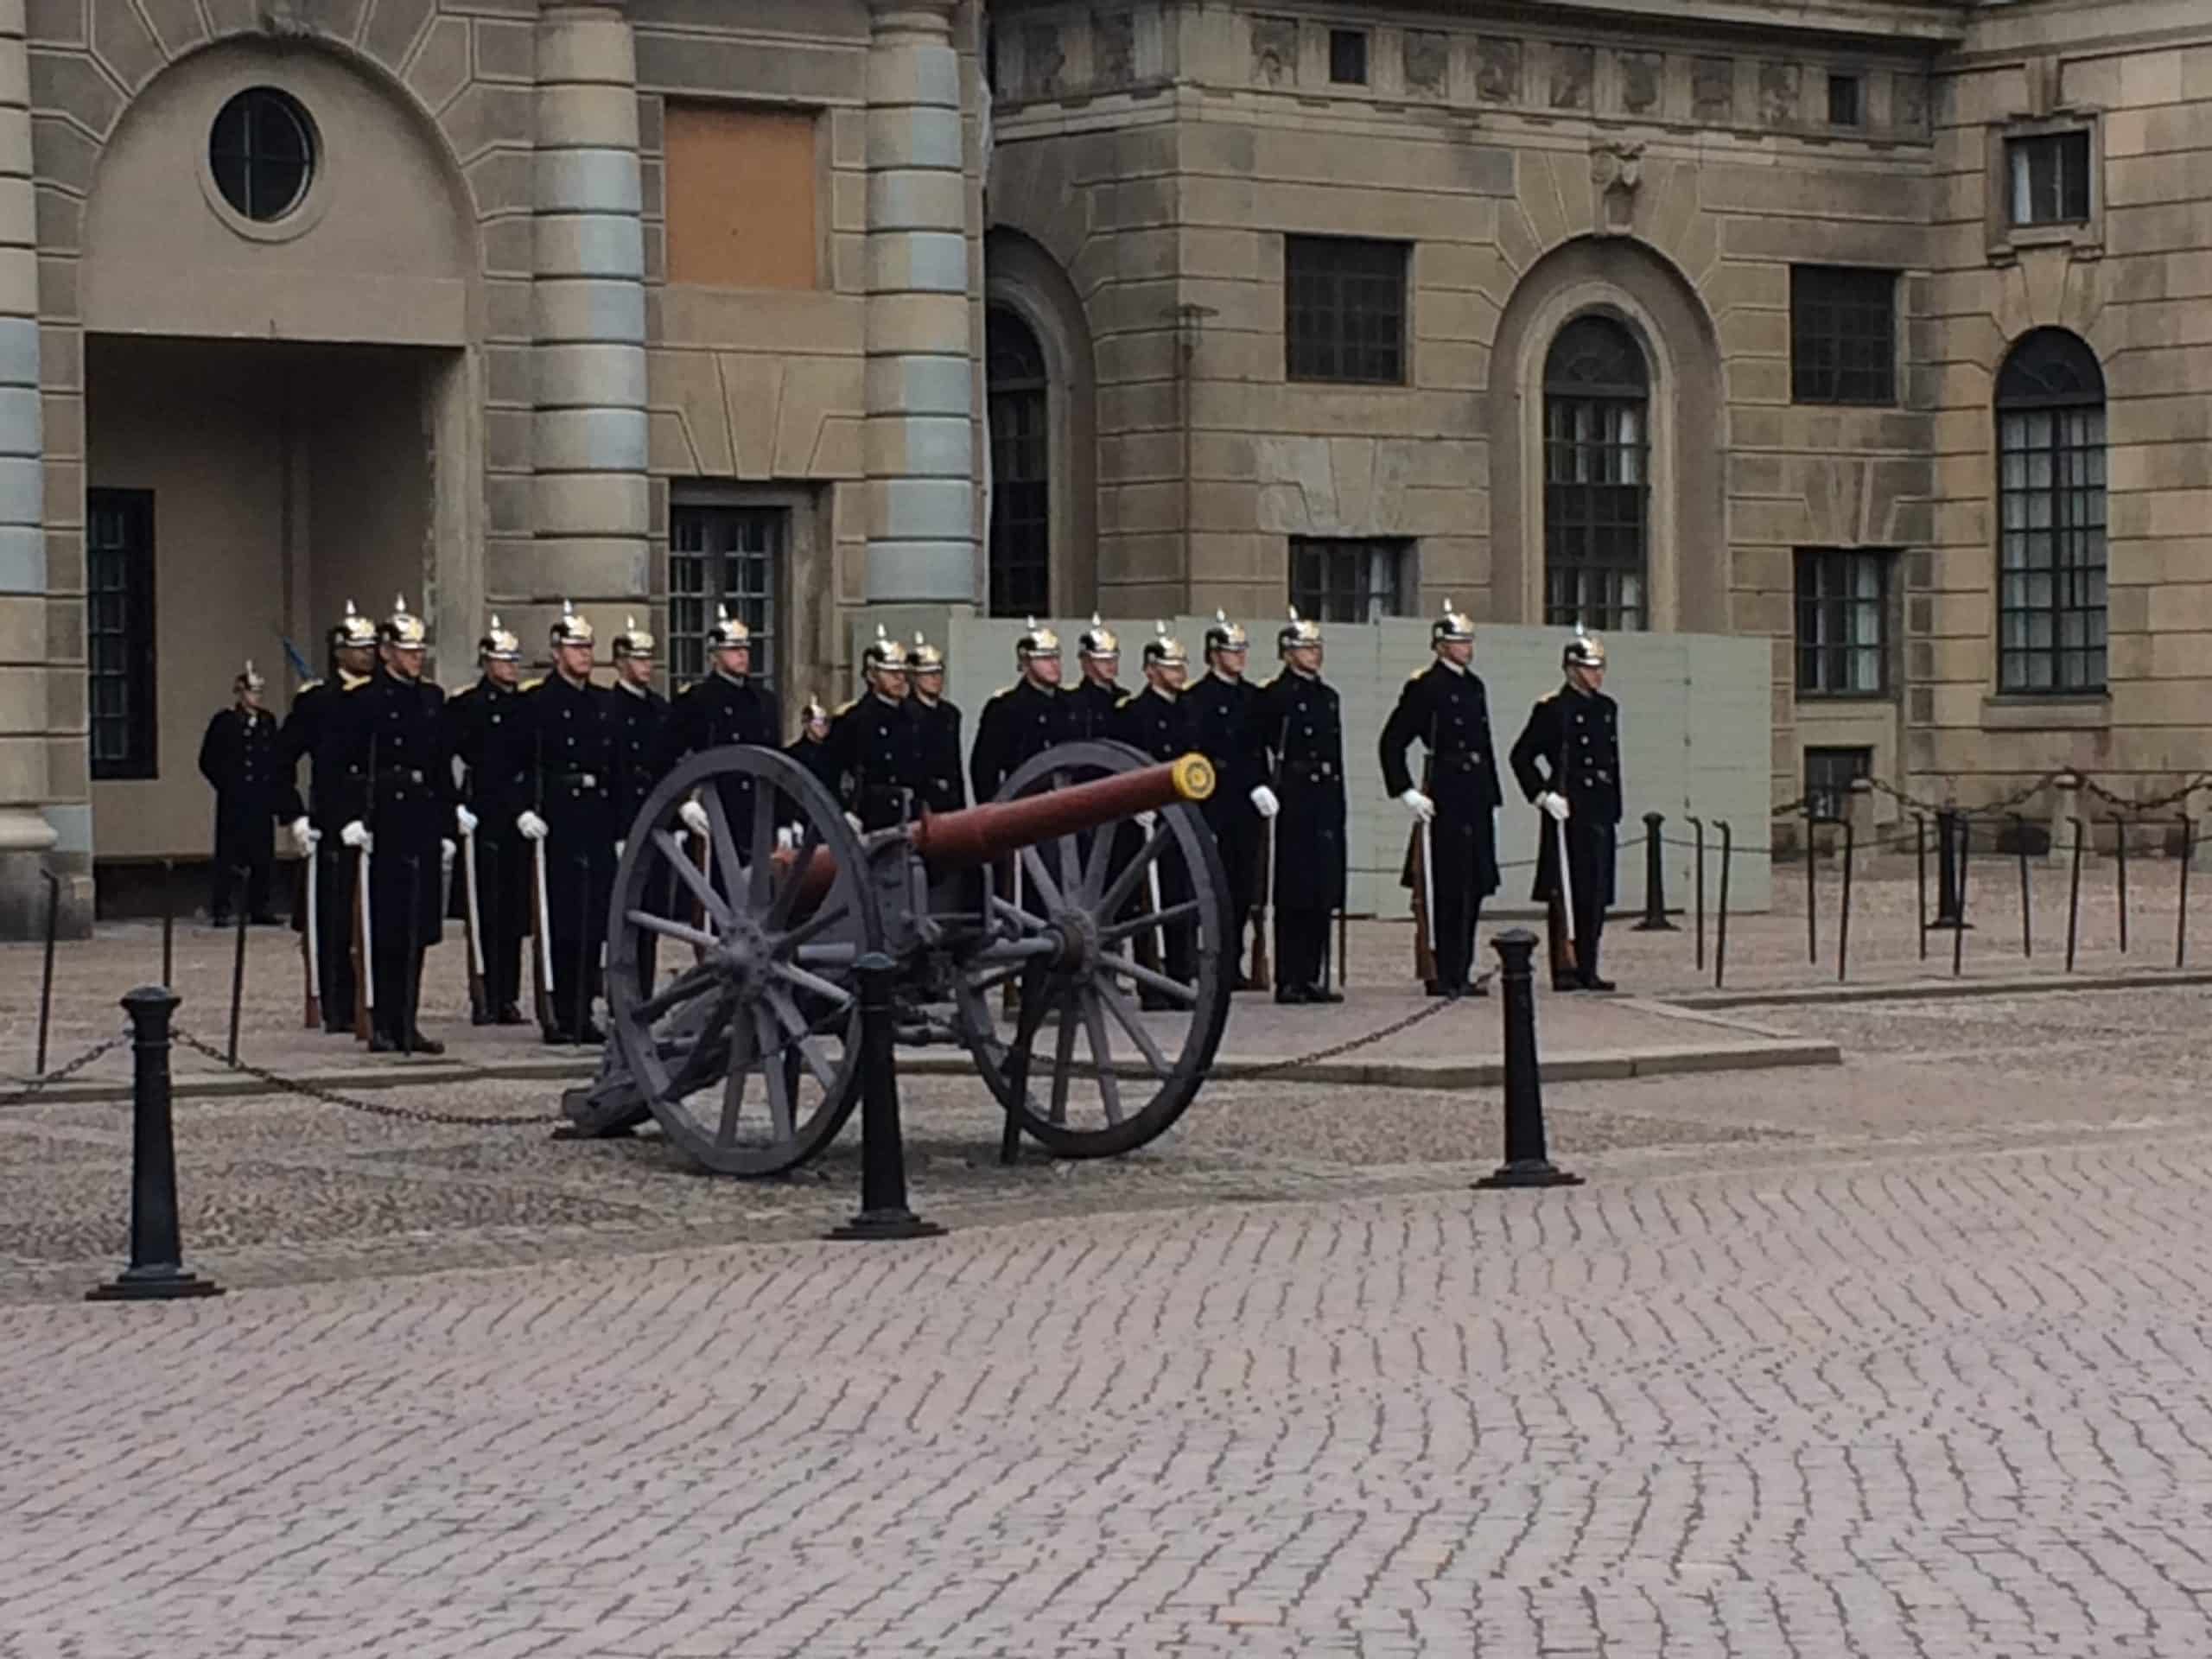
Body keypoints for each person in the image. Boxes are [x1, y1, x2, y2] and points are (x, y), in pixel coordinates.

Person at [334, 596, 461, 1054]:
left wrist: (448, 821)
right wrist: (349, 818)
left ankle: (407, 1020)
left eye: (419, 650)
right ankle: (381, 1020)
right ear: (386, 652)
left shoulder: (431, 698)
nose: (416, 657)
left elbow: (442, 763)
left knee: (418, 926)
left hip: (422, 814)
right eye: (407, 651)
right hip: (382, 816)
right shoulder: (363, 701)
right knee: (385, 926)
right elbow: (340, 764)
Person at [1380, 601, 1503, 999]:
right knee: (1445, 888)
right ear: (1440, 646)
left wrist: (1490, 792)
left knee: (1474, 885)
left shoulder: (1476, 685)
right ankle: (1442, 970)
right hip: (1445, 791)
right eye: (1458, 641)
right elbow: (1393, 741)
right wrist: (1406, 790)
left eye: (1469, 640)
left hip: (1475, 793)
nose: (1467, 647)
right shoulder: (1426, 686)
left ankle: (1461, 967)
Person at [518, 602, 621, 1045]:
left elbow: (617, 764)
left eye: (588, 646)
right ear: (557, 652)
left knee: (594, 917)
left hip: (595, 813)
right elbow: (520, 762)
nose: (584, 654)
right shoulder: (537, 702)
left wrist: (619, 825)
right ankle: (558, 1011)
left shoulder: (603, 702)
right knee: (561, 918)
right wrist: (523, 807)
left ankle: (584, 1010)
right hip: (558, 813)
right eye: (576, 647)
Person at [276, 603, 378, 1033]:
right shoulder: (318, 701)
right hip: (333, 824)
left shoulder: (386, 696)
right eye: (359, 648)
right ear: (339, 653)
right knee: (335, 921)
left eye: (372, 647)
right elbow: (281, 760)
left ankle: (375, 1003)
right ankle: (338, 1004)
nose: (368, 654)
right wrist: (294, 815)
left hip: (378, 821)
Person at [1510, 626, 1624, 993]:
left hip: (1599, 810)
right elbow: (1522, 756)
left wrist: (1613, 807)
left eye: (1600, 668)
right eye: (1591, 669)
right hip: (1567, 810)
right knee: (1567, 892)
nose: (1598, 675)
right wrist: (1543, 795)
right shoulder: (1553, 709)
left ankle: (1590, 963)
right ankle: (1566, 967)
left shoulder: (1607, 708)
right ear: (1572, 670)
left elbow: (1611, 762)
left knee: (1596, 893)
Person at [1254, 609, 1344, 1005]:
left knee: (1322, 889)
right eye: (1306, 647)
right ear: (1287, 653)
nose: (1315, 653)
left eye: (1317, 646)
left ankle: (1313, 973)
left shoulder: (1328, 697)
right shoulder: (1275, 696)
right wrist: (1262, 785)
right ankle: (1289, 977)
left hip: (1325, 795)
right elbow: (1256, 745)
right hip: (1293, 794)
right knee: (1294, 890)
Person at [443, 616, 531, 1025]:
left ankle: (508, 995)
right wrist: (454, 808)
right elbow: (447, 754)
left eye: (514, 659)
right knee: (484, 912)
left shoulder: (524, 706)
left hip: (517, 814)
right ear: (486, 662)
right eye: (503, 659)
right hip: (482, 812)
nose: (511, 666)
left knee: (513, 913)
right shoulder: (467, 706)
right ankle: (483, 992)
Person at [1113, 623, 1198, 1003]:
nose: (1179, 672)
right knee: (1149, 900)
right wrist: (1136, 804)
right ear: (1151, 670)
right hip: (1147, 817)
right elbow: (1126, 764)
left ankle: (1181, 974)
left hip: (1182, 815)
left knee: (1181, 895)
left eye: (1181, 665)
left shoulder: (1190, 710)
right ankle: (1151, 980)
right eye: (1171, 666)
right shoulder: (1135, 712)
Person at [1184, 611, 1269, 990]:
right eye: (1232, 650)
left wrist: (1264, 785)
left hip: (1247, 808)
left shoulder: (1253, 697)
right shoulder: (1197, 698)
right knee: (1209, 889)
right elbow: (1203, 754)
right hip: (1214, 804)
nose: (1240, 656)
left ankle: (1233, 963)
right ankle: (1207, 960)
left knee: (1242, 889)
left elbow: (1260, 750)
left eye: (1242, 649)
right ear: (1215, 654)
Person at [651, 603, 780, 851]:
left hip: (758, 809)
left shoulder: (764, 701)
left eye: (744, 648)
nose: (742, 655)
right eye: (732, 649)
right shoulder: (696, 701)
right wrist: (684, 802)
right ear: (713, 656)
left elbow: (776, 762)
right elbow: (664, 757)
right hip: (717, 808)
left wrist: (783, 817)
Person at [197, 661, 283, 927]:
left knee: (262, 855)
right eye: (251, 691)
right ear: (240, 693)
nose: (255, 697)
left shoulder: (267, 722)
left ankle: (260, 906)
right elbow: (208, 759)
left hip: (260, 797)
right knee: (228, 854)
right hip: (234, 797)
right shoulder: (225, 721)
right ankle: (222, 907)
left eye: (258, 692)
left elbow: (274, 757)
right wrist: (227, 784)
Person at [825, 627, 926, 831]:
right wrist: (845, 811)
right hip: (872, 814)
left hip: (912, 812)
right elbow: (832, 771)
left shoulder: (916, 715)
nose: (899, 679)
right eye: (891, 673)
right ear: (872, 676)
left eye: (902, 673)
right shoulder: (854, 720)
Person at [969, 617, 1068, 804]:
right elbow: (985, 769)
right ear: (1026, 663)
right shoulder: (1005, 709)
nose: (1054, 664)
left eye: (1056, 657)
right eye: (1045, 658)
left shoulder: (1069, 705)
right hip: (1023, 803)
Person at [906, 631, 966, 816]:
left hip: (949, 800)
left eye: (938, 673)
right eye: (928, 674)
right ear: (914, 677)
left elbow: (955, 765)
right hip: (922, 799)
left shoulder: (950, 714)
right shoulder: (905, 714)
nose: (936, 679)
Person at [1065, 614, 1123, 740]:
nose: (1110, 664)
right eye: (1102, 659)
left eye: (1113, 658)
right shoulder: (1073, 702)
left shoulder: (1124, 699)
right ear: (1086, 661)